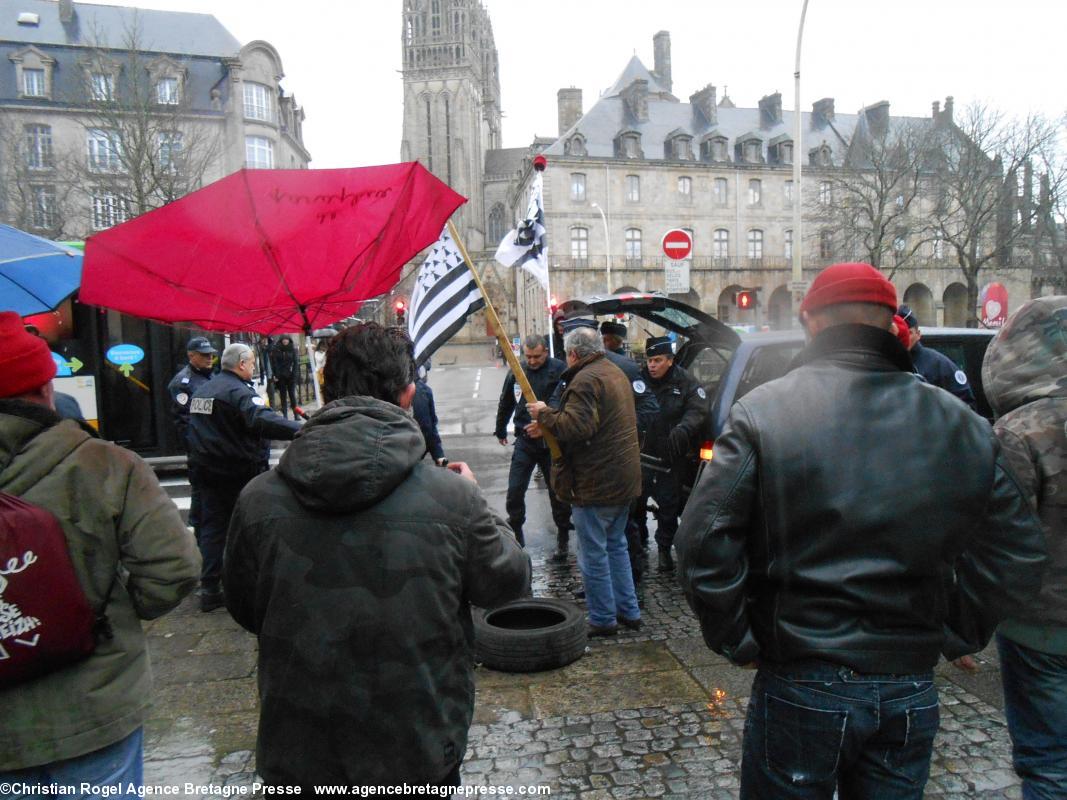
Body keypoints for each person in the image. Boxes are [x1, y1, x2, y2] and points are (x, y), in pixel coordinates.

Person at [676, 262, 1047, 799]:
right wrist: (955, 631)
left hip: (802, 673)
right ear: (892, 323)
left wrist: (737, 638)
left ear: (809, 321)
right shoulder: (962, 422)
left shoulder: (764, 411)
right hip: (908, 679)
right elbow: (1016, 553)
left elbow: (702, 543)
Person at [223, 322, 529, 790]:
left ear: (326, 389)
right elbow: (507, 584)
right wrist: (480, 505)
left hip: (300, 748)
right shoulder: (452, 498)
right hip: (415, 745)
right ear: (408, 395)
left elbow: (245, 606)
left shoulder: (257, 499)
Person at [0, 312, 200, 791]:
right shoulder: (105, 465)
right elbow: (173, 568)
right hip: (94, 705)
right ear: (45, 389)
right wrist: (112, 615)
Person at [980, 296, 1067, 798]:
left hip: (1041, 628)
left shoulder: (1020, 431)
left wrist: (968, 627)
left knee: (1050, 763)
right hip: (1040, 626)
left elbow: (1000, 540)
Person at [528, 325, 642, 637]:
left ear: (574, 354)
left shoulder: (586, 379)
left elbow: (577, 428)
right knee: (616, 546)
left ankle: (604, 618)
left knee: (593, 553)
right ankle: (628, 611)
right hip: (622, 479)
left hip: (596, 482)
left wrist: (544, 414)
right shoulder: (613, 371)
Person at [187, 343, 300, 612]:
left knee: (213, 530)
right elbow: (261, 420)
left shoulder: (205, 389)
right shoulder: (237, 392)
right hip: (236, 472)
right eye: (250, 364)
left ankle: (210, 587)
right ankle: (250, 582)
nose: (252, 368)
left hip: (207, 470)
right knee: (250, 527)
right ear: (241, 364)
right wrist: (301, 429)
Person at [494, 335, 571, 556]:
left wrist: (546, 425)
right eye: (528, 357)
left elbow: (563, 401)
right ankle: (517, 529)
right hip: (525, 441)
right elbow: (506, 400)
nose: (533, 361)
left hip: (550, 441)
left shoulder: (559, 370)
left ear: (545, 352)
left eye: (537, 356)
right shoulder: (518, 370)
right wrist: (500, 428)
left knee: (557, 492)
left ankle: (563, 534)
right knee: (515, 489)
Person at [637, 336, 707, 572]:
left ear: (670, 360)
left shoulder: (685, 381)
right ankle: (639, 547)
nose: (652, 365)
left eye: (657, 360)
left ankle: (665, 550)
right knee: (636, 503)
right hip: (643, 454)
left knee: (668, 505)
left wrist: (684, 429)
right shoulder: (638, 379)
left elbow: (698, 409)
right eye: (649, 360)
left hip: (671, 454)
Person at [898, 303, 977, 409]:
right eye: (900, 333)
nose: (904, 337)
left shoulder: (938, 364)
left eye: (909, 333)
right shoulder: (886, 363)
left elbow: (966, 405)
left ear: (918, 334)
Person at [166, 336, 217, 449]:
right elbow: (184, 421)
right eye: (204, 355)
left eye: (211, 354)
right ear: (191, 355)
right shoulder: (181, 383)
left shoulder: (211, 375)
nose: (210, 358)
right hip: (201, 446)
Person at [412, 362, 445, 464]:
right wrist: (438, 455)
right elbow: (428, 426)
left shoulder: (422, 391)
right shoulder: (422, 391)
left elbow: (429, 426)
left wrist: (439, 455)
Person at [269, 335, 299, 418]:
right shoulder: (277, 349)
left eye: (287, 339)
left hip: (290, 375)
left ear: (289, 340)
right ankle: (285, 414)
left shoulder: (293, 349)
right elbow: (274, 363)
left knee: (292, 395)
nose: (285, 341)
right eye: (284, 339)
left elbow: (296, 362)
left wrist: (294, 374)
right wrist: (275, 375)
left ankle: (296, 414)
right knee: (283, 395)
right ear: (281, 340)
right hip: (281, 376)